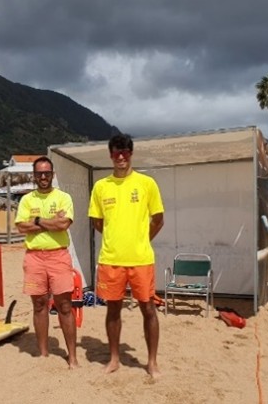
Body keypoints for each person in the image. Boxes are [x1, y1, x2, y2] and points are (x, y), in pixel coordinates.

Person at [88, 134, 165, 377]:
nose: (120, 156)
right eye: (116, 152)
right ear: (110, 155)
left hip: (141, 259)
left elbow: (158, 220)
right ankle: (114, 359)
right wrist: (116, 238)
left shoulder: (146, 183)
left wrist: (140, 239)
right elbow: (97, 222)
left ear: (131, 154)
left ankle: (151, 362)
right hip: (111, 259)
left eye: (125, 152)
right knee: (113, 310)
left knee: (149, 309)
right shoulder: (101, 186)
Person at [15, 156, 79, 369]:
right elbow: (21, 227)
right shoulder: (26, 200)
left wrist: (36, 221)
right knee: (39, 304)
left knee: (65, 305)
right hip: (34, 257)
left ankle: (72, 357)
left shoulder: (63, 197)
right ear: (34, 176)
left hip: (58, 256)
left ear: (53, 174)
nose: (43, 177)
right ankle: (43, 354)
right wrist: (50, 222)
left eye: (47, 173)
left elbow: (63, 225)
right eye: (40, 173)